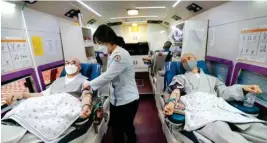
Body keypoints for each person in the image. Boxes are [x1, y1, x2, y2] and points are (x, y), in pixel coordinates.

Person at [164, 53, 267, 143]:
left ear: (195, 59)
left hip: (219, 106)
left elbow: (224, 92)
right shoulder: (181, 78)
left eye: (189, 58)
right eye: (184, 61)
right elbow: (176, 91)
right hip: (201, 110)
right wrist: (171, 102)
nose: (187, 61)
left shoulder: (212, 79)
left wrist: (244, 88)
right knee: (228, 136)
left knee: (257, 128)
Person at [1, 58, 93, 142]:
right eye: (67, 63)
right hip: (50, 102)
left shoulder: (84, 80)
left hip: (65, 102)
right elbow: (41, 95)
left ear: (80, 67)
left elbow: (87, 94)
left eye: (73, 63)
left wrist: (85, 105)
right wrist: (22, 94)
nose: (69, 65)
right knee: (29, 103)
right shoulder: (58, 81)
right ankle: (16, 121)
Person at [84, 24, 139, 143]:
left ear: (107, 41)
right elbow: (109, 74)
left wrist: (89, 84)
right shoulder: (113, 53)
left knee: (126, 128)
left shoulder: (120, 55)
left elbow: (108, 75)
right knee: (117, 128)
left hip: (128, 100)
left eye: (101, 44)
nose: (101, 47)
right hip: (117, 99)